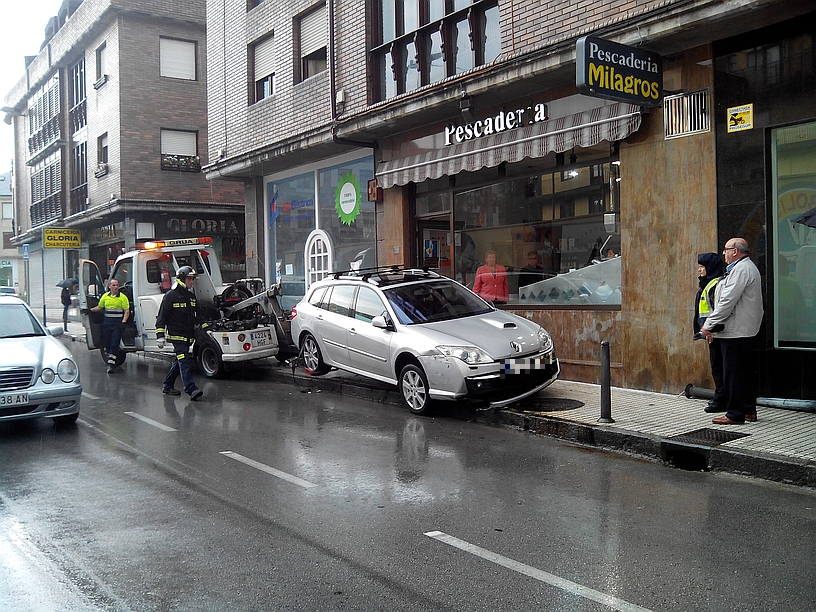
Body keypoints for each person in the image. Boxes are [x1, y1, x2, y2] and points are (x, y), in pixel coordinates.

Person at [700, 238, 764, 424]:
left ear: (735, 251)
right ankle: (748, 410)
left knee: (733, 374)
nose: (723, 253)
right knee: (744, 372)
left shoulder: (742, 270)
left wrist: (709, 325)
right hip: (742, 330)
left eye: (726, 250)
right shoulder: (741, 269)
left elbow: (727, 301)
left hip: (736, 331)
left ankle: (735, 414)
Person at [155, 266, 204, 400]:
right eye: (189, 279)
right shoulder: (171, 296)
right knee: (184, 362)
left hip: (188, 337)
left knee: (179, 361)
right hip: (177, 337)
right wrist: (160, 336)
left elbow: (198, 315)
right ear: (182, 279)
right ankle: (191, 389)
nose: (191, 282)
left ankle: (168, 385)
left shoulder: (191, 296)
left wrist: (206, 330)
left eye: (192, 279)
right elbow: (162, 317)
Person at [693, 252, 725, 413]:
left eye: (701, 267)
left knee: (719, 368)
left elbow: (718, 310)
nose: (699, 270)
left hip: (717, 334)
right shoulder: (709, 284)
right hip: (712, 333)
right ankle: (721, 398)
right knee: (718, 367)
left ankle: (721, 399)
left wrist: (710, 329)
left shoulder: (716, 284)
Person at [90, 279, 130, 374]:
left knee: (114, 343)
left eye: (117, 285)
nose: (116, 287)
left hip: (117, 324)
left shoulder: (122, 297)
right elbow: (100, 307)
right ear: (110, 287)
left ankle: (111, 365)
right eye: (114, 285)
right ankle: (111, 357)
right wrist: (90, 310)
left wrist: (123, 323)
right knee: (106, 342)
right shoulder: (105, 296)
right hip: (107, 324)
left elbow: (127, 311)